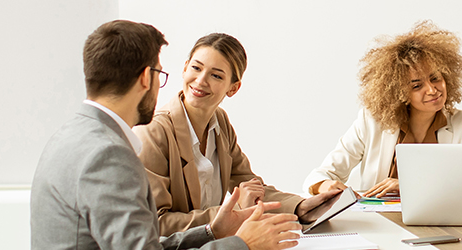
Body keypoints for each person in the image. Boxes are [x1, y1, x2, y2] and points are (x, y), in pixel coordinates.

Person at [30, 20, 302, 250]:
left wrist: (212, 231)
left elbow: (143, 243)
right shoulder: (108, 155)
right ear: (146, 79)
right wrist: (241, 244)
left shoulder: (70, 135)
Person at [134, 33, 342, 236]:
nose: (200, 80)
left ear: (233, 88)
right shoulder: (154, 131)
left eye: (216, 75)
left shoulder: (220, 122)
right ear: (185, 68)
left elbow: (248, 184)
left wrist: (299, 206)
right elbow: (156, 222)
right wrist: (231, 213)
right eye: (196, 68)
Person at [303, 21, 462, 198]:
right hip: (379, 220)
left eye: (435, 78)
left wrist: (408, 185)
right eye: (417, 86)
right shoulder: (371, 122)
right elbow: (318, 176)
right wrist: (325, 185)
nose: (432, 90)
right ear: (399, 92)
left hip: (439, 219)